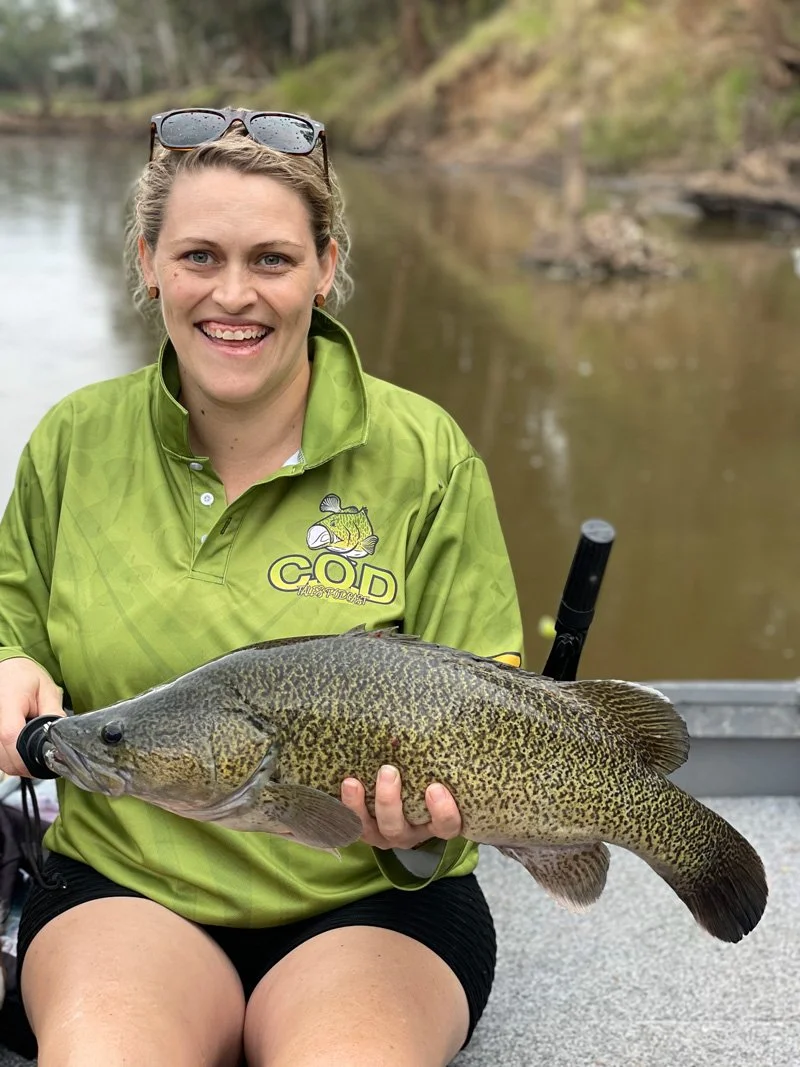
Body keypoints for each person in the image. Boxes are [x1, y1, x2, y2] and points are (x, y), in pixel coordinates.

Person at [0, 107, 523, 1067]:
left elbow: (487, 699)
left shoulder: (427, 453)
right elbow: (8, 624)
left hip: (374, 904)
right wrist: (5, 666)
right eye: (199, 256)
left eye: (273, 260)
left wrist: (438, 812)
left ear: (326, 267)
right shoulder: (73, 441)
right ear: (150, 259)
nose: (232, 295)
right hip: (129, 886)